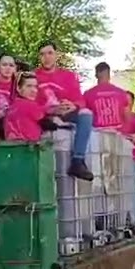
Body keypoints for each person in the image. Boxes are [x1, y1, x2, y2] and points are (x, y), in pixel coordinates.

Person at [33, 41, 93, 180]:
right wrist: (50, 110)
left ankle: (78, 161)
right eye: (42, 54)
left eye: (50, 53)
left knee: (86, 114)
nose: (46, 57)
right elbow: (28, 103)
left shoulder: (69, 76)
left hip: (67, 112)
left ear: (57, 55)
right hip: (44, 116)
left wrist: (73, 106)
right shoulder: (33, 76)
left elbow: (80, 100)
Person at [82, 62, 130, 130]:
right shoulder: (121, 93)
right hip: (117, 133)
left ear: (97, 74)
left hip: (97, 133)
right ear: (109, 74)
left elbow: (84, 116)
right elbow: (127, 116)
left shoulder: (88, 94)